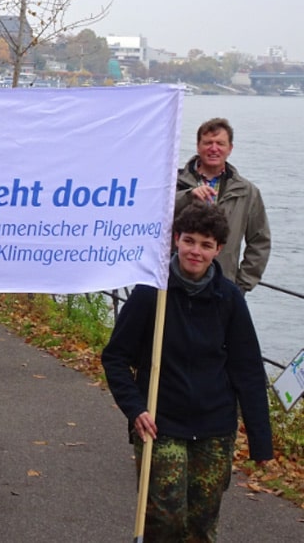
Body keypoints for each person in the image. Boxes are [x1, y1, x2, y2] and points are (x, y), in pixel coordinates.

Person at [102, 202, 272, 542]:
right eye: (190, 241)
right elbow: (116, 357)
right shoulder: (152, 293)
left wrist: (260, 441)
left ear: (218, 250)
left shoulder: (229, 298)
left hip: (214, 427)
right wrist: (135, 410)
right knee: (165, 519)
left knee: (201, 524)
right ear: (176, 240)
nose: (196, 251)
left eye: (206, 245)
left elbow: (248, 369)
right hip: (161, 424)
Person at [175, 117, 269, 293]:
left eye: (220, 143)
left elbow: (260, 241)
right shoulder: (172, 183)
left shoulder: (247, 192)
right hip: (174, 283)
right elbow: (154, 217)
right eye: (208, 142)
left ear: (230, 148)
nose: (214, 148)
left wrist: (241, 285)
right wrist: (187, 197)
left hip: (221, 288)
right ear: (198, 146)